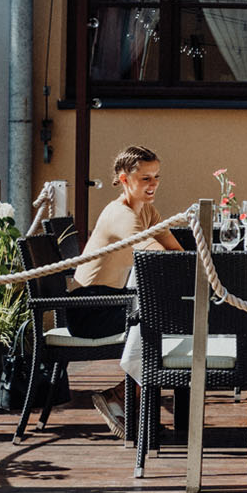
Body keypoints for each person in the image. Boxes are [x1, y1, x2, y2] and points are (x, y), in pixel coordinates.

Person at [73, 144, 183, 434]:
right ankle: (122, 397)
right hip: (89, 309)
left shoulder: (147, 211)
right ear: (124, 179)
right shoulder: (121, 215)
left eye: (156, 177)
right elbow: (157, 258)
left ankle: (125, 397)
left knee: (168, 315)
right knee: (160, 319)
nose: (153, 184)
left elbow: (176, 253)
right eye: (145, 178)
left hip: (113, 301)